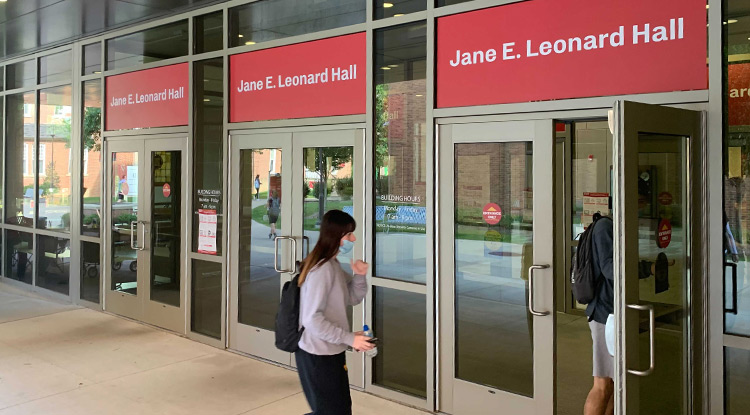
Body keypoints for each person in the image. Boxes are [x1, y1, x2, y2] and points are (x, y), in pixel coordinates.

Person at [295, 210, 374, 415]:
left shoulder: (333, 264)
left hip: (331, 351)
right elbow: (312, 319)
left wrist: (359, 276)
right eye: (348, 235)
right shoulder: (322, 269)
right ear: (336, 236)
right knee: (331, 411)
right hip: (317, 354)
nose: (353, 239)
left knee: (337, 409)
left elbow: (352, 298)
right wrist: (349, 338)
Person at [584, 214, 614, 415]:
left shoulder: (609, 225)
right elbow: (610, 268)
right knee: (602, 384)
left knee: (613, 383)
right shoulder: (605, 227)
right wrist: (644, 268)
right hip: (603, 313)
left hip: (611, 311)